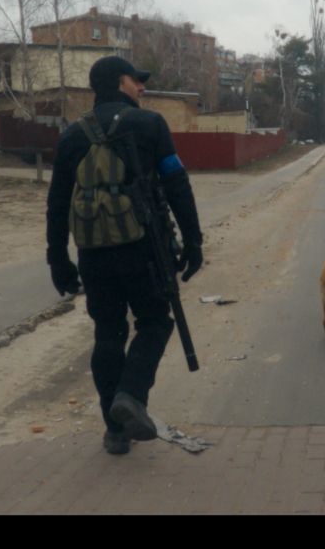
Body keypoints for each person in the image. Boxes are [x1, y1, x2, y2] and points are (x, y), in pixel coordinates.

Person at [46, 56, 204, 455]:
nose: (142, 88)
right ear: (120, 82)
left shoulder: (71, 137)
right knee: (154, 322)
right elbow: (176, 183)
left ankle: (115, 432)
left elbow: (57, 203)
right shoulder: (149, 124)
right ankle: (131, 396)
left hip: (93, 253)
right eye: (137, 80)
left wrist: (57, 259)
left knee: (108, 333)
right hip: (144, 248)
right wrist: (193, 241)